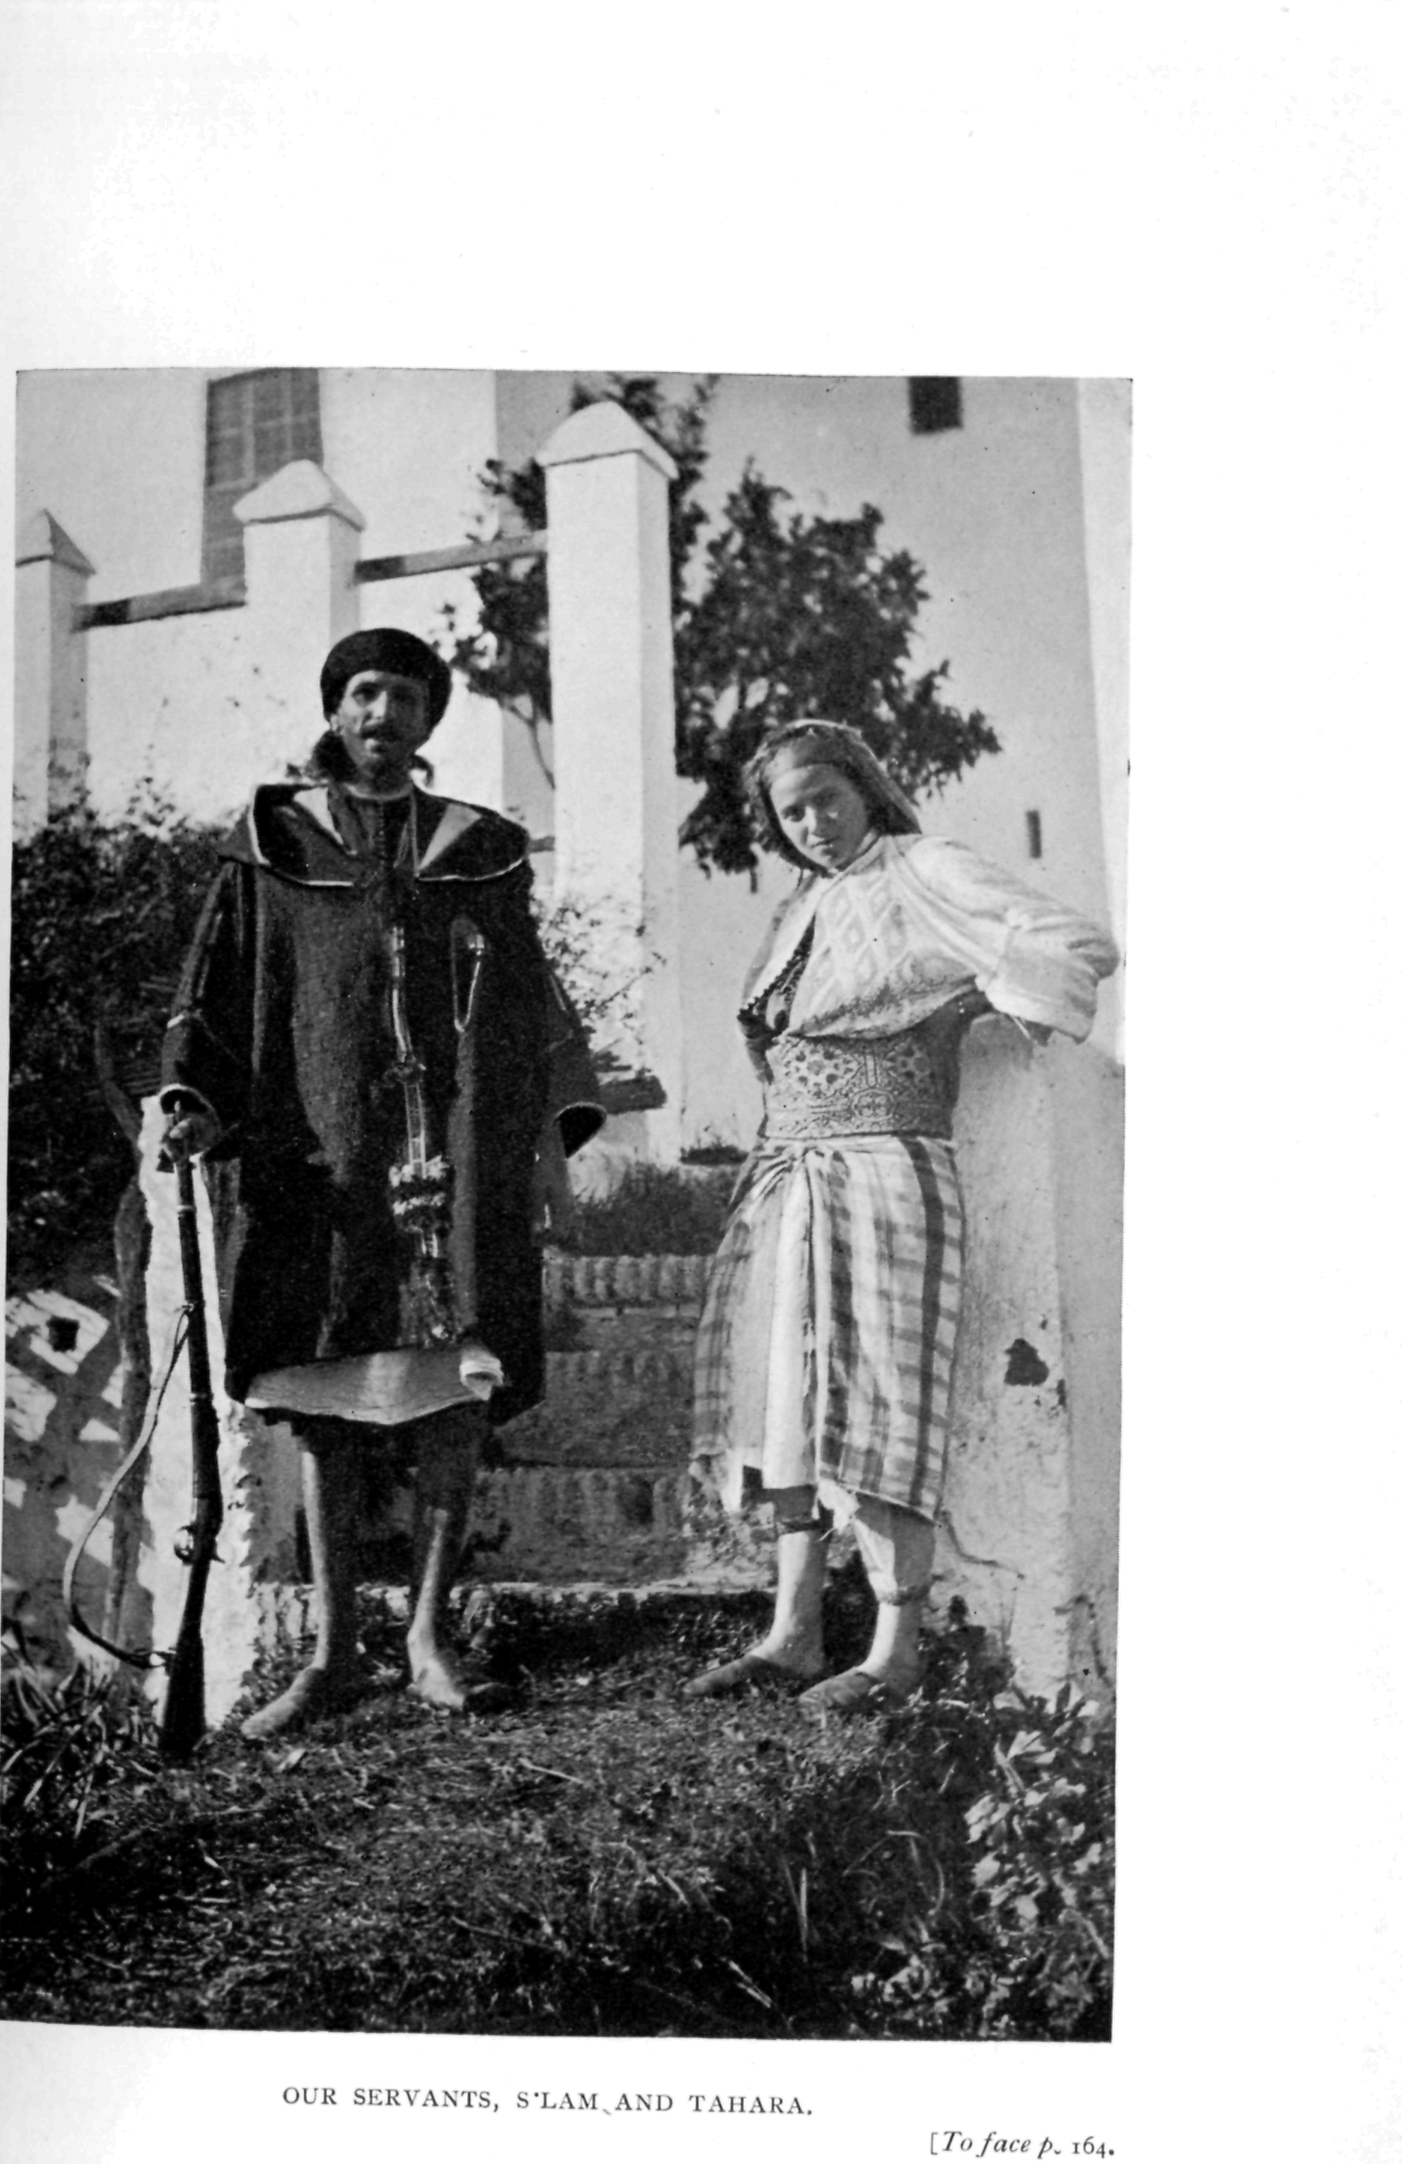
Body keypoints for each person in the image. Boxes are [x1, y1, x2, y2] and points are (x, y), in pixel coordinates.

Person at [160, 628, 602, 1734]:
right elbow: (220, 985)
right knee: (327, 1393)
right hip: (325, 1156)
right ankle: (332, 1653)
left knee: (455, 1391)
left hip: (459, 1154)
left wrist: (546, 1149)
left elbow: (530, 1005)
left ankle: (427, 1640)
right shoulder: (272, 846)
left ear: (429, 720)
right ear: (335, 707)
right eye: (365, 693)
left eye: (407, 699)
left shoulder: (479, 851)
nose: (383, 716)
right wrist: (191, 1095)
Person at [688, 719, 1119, 1719]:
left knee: (882, 1395)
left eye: (828, 801)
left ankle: (895, 1651)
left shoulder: (923, 866)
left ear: (867, 791)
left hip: (887, 1165)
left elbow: (1079, 942)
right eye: (792, 813)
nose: (813, 825)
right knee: (784, 1403)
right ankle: (793, 1633)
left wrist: (964, 1006)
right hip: (791, 1174)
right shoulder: (802, 904)